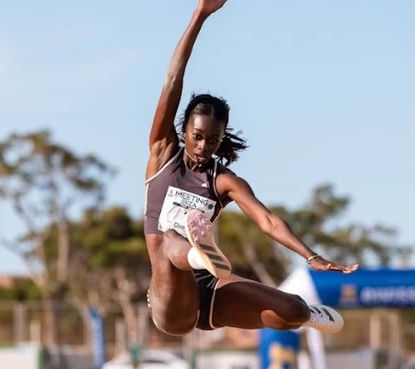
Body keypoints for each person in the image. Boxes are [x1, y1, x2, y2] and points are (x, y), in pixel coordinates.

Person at [144, 0, 359, 337]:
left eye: (212, 141)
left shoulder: (223, 181)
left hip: (209, 291)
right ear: (184, 129)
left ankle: (305, 313)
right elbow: (173, 79)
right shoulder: (163, 154)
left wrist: (311, 255)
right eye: (197, 137)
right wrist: (200, 16)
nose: (203, 147)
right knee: (172, 238)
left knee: (291, 310)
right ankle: (198, 254)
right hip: (169, 300)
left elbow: (268, 221)